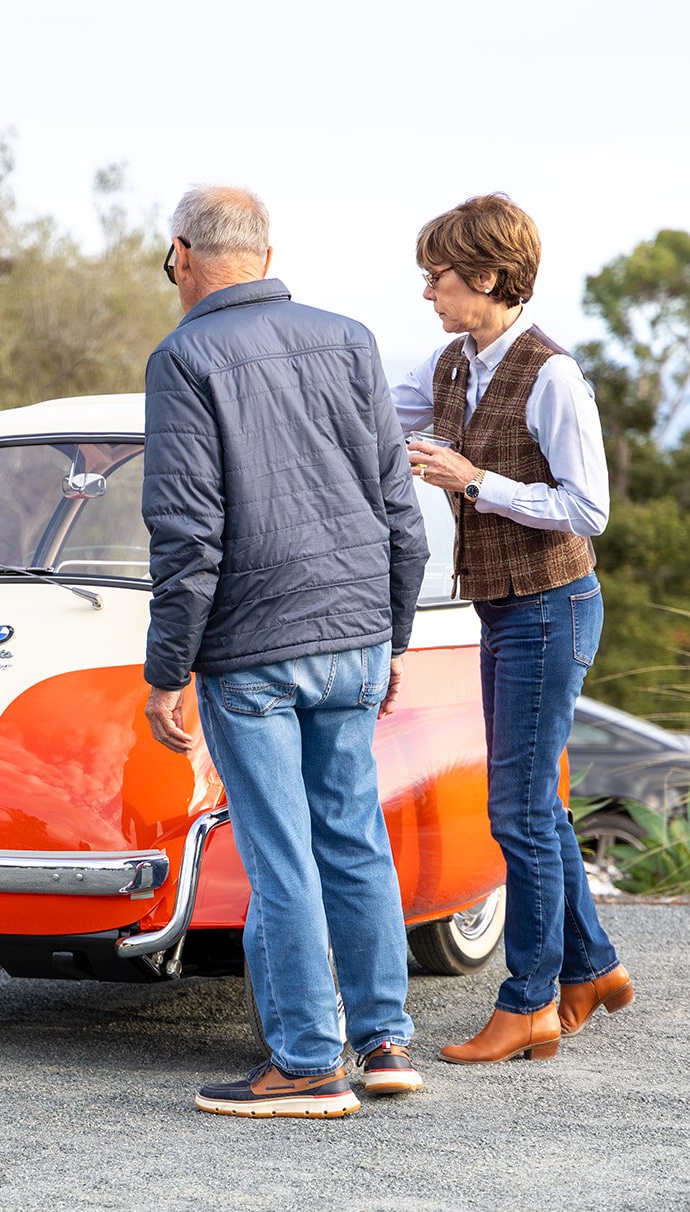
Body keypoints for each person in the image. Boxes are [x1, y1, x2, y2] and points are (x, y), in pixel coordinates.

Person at [142, 185, 429, 1118]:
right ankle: (382, 1040)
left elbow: (188, 533)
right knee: (353, 837)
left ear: (182, 254)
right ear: (264, 253)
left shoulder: (184, 356)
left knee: (279, 853)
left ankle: (306, 1062)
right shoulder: (349, 339)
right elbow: (399, 509)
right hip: (353, 634)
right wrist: (392, 636)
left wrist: (166, 670)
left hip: (255, 646)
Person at [393, 193, 634, 1064]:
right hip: (502, 608)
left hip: (552, 606)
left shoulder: (553, 375)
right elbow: (377, 411)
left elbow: (588, 509)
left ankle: (529, 1000)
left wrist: (471, 478)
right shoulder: (452, 362)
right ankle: (593, 967)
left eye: (440, 276)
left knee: (519, 813)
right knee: (538, 807)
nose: (427, 291)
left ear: (489, 277)